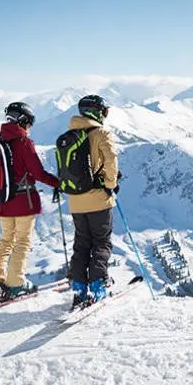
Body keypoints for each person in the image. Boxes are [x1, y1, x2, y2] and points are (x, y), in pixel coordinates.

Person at [0, 102, 59, 299]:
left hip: (3, 200)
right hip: (23, 201)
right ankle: (16, 283)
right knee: (22, 242)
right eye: (29, 123)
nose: (30, 128)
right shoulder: (24, 143)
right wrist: (58, 183)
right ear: (23, 120)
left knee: (6, 241)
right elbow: (38, 173)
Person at [65, 94, 120, 307]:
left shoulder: (69, 135)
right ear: (97, 112)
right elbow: (111, 160)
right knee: (101, 241)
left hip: (75, 201)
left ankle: (79, 287)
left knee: (81, 243)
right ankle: (98, 285)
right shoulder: (101, 133)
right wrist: (110, 185)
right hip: (98, 200)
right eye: (104, 111)